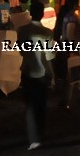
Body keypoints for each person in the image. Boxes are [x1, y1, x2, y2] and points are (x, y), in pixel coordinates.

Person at [18, 14, 55, 150]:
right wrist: (52, 74)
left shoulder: (22, 31)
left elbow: (22, 51)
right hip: (42, 73)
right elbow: (49, 56)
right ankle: (40, 133)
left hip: (28, 72)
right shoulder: (47, 32)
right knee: (41, 104)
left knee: (30, 106)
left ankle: (34, 138)